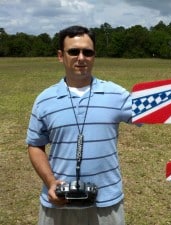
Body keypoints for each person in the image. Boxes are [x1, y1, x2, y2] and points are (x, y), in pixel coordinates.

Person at [26, 25, 132, 225]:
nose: (81, 57)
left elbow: (151, 112)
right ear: (60, 55)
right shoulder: (44, 100)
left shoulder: (116, 94)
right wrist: (50, 183)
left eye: (88, 52)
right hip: (58, 203)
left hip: (106, 203)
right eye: (74, 51)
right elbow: (35, 145)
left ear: (94, 56)